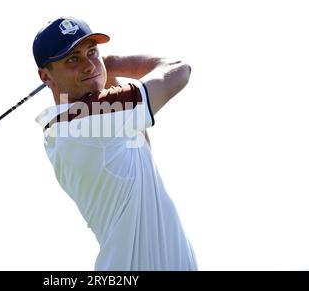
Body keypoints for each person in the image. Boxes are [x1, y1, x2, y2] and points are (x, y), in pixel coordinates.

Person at [32, 17, 197, 271]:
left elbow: (141, 143)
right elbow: (178, 70)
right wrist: (112, 63)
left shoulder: (69, 126)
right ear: (46, 76)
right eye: (72, 59)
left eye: (92, 52)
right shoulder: (91, 117)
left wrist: (104, 74)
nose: (89, 65)